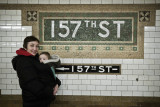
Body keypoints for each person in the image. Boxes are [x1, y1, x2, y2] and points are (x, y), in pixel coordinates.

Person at [12, 36, 61, 107]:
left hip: (41, 100)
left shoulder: (35, 58)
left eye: (37, 46)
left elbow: (46, 74)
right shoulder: (23, 61)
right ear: (25, 47)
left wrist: (56, 83)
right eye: (32, 45)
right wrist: (50, 93)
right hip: (34, 101)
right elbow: (31, 84)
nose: (35, 49)